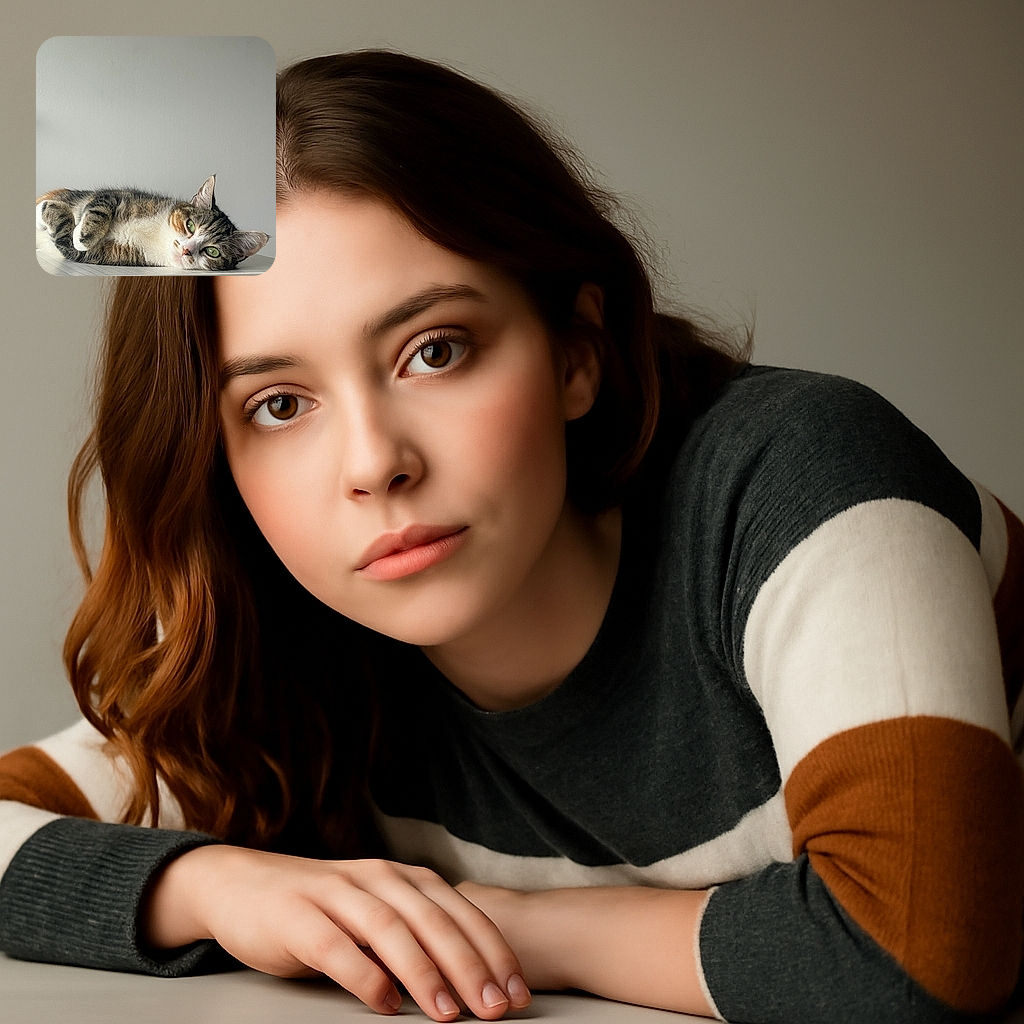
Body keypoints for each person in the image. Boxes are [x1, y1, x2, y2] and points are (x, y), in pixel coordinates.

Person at [1, 50, 1021, 1024]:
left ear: (576, 348)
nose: (373, 463)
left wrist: (511, 929)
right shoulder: (297, 650)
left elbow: (913, 956)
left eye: (433, 351)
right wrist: (219, 886)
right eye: (277, 405)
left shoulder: (802, 478)